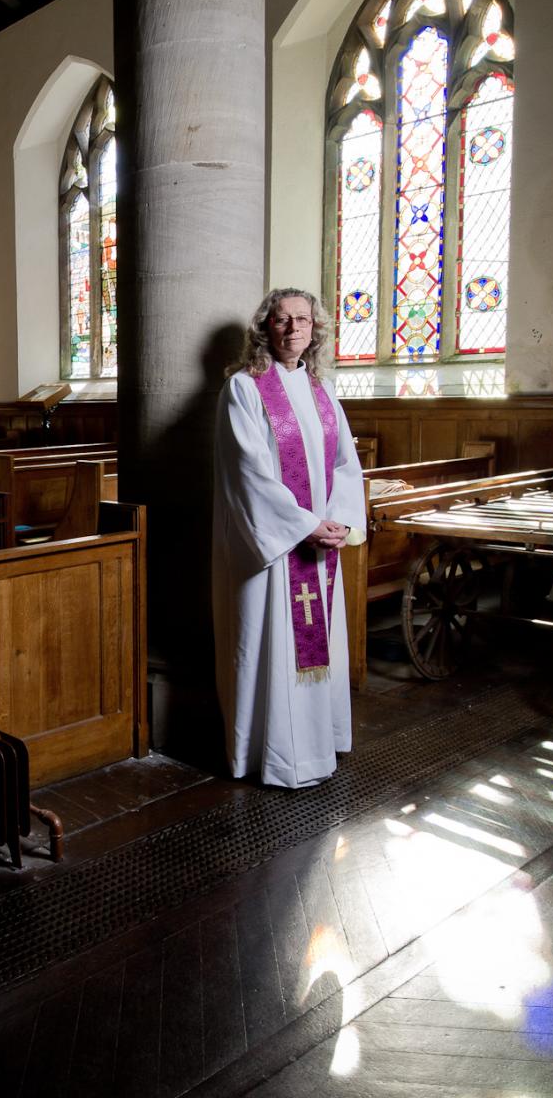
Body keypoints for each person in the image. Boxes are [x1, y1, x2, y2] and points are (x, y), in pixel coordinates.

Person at [212, 287, 365, 788]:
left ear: (314, 329)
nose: (294, 328)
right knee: (270, 644)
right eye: (282, 320)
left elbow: (345, 463)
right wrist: (302, 525)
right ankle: (272, 757)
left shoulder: (322, 390)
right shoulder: (244, 389)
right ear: (265, 328)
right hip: (275, 549)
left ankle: (319, 745)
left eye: (303, 319)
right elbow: (247, 472)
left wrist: (338, 519)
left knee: (317, 644)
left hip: (320, 544)